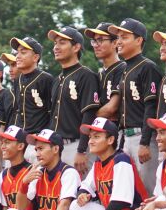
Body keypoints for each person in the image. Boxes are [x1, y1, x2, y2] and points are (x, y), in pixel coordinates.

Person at [110, 18, 161, 195]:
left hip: (142, 136)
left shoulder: (147, 67)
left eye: (124, 37)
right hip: (125, 137)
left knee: (148, 189)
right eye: (118, 37)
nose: (119, 41)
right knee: (128, 191)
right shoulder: (124, 68)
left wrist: (145, 142)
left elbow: (151, 106)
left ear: (139, 40)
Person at [47, 26, 100, 176]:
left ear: (76, 47)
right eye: (55, 43)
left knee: (79, 195)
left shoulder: (86, 75)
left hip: (76, 145)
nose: (56, 47)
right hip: (56, 148)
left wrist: (82, 150)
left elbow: (89, 115)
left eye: (62, 42)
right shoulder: (57, 79)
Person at [9, 36, 54, 162]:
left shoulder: (46, 79)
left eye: (23, 52)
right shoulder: (17, 80)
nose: (18, 56)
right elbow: (18, 111)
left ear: (35, 57)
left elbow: (52, 112)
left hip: (37, 141)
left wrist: (44, 137)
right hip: (19, 141)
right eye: (17, 52)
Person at [85, 22, 124, 122]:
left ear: (115, 43)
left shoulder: (123, 68)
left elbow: (111, 108)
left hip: (116, 132)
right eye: (94, 41)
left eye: (100, 40)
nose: (96, 45)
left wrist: (88, 119)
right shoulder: (99, 74)